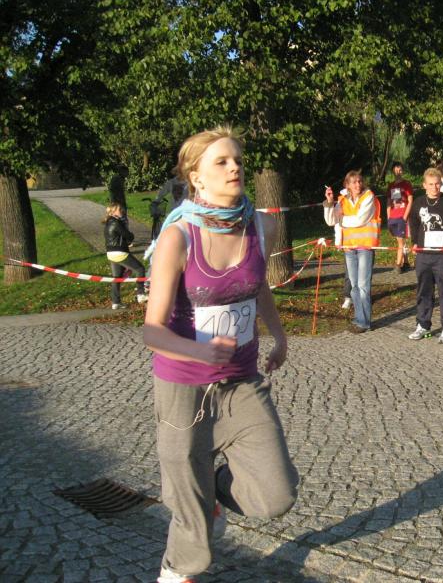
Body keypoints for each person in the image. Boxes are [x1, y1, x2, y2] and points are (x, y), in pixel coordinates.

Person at [143, 127, 298, 583]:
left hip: (241, 380)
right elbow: (152, 330)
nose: (235, 168)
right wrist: (200, 350)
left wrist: (279, 335)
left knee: (277, 493)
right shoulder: (178, 238)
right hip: (183, 387)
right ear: (196, 176)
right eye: (222, 162)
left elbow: (258, 285)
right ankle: (177, 570)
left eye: (238, 161)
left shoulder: (261, 226)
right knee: (187, 508)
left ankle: (212, 492)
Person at [324, 170, 381, 333]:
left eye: (359, 181)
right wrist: (329, 203)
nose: (358, 184)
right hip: (349, 247)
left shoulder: (368, 197)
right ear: (347, 185)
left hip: (364, 247)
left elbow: (360, 220)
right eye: (354, 182)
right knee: (354, 286)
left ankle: (364, 322)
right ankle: (359, 318)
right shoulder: (343, 200)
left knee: (363, 286)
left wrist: (342, 220)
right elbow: (331, 220)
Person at [407, 168, 443, 343]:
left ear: (441, 183)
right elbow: (413, 222)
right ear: (424, 185)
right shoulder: (418, 203)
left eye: (437, 184)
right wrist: (415, 241)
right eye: (430, 184)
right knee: (424, 290)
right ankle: (423, 324)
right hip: (424, 254)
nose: (434, 187)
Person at [103, 202, 147, 310]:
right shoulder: (116, 223)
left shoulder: (109, 222)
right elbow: (129, 236)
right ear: (113, 212)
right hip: (119, 252)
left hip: (110, 253)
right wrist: (130, 234)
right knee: (140, 269)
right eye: (119, 210)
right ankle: (140, 294)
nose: (122, 211)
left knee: (117, 278)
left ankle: (116, 302)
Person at [386, 162, 413, 273]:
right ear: (393, 171)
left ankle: (398, 265)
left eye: (400, 170)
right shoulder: (391, 185)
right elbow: (389, 202)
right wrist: (389, 216)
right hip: (393, 216)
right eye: (396, 170)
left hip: (402, 216)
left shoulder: (406, 184)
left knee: (400, 241)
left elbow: (410, 201)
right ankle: (406, 262)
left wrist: (405, 216)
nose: (398, 172)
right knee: (400, 240)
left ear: (403, 171)